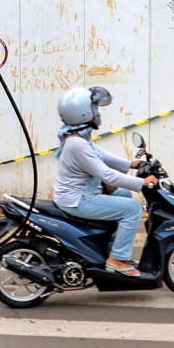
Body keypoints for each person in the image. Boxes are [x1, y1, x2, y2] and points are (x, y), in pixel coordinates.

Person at [53, 86, 158, 277]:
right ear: (83, 113)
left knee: (124, 194)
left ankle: (111, 246)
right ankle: (117, 258)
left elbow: (99, 154)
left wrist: (131, 164)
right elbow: (106, 175)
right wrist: (142, 183)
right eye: (95, 109)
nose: (98, 114)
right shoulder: (77, 144)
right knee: (133, 209)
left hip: (81, 193)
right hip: (78, 199)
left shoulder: (77, 136)